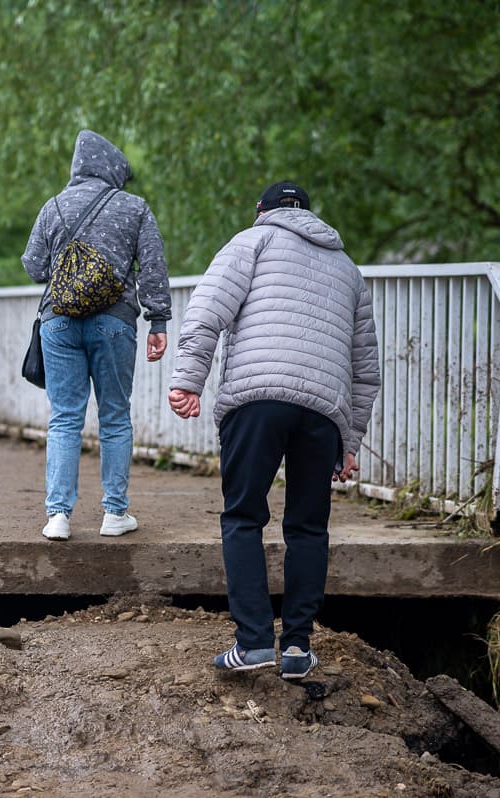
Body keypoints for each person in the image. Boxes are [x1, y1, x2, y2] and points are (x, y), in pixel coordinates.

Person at [168, 181, 379, 679]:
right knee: (308, 527)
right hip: (323, 412)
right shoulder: (347, 269)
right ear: (310, 214)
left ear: (260, 210)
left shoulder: (251, 241)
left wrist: (188, 381)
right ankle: (297, 648)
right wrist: (349, 442)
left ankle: (255, 642)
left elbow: (206, 313)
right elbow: (366, 368)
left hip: (257, 397)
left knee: (243, 517)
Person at [22, 130, 172, 541]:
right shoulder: (134, 207)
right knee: (115, 416)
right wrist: (158, 321)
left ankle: (58, 516)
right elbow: (153, 269)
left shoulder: (52, 206)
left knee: (65, 418)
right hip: (114, 322)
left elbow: (35, 267)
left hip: (60, 321)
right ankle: (114, 513)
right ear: (112, 167)